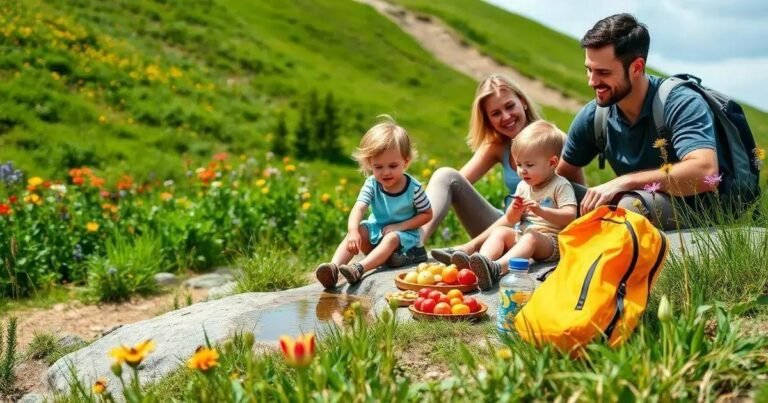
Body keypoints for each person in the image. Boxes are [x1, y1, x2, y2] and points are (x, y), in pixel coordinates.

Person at [556, 13, 723, 229]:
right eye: (589, 69)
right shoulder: (593, 116)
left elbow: (705, 171)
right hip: (633, 207)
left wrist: (624, 182)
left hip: (695, 215)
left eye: (603, 72)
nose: (592, 81)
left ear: (636, 67)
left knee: (627, 206)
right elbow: (562, 176)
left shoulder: (680, 103)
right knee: (553, 192)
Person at [422, 74, 548, 264]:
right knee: (444, 175)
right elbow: (452, 183)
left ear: (522, 101)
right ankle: (411, 245)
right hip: (505, 229)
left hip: (541, 236)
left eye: (509, 106)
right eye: (496, 113)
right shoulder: (497, 146)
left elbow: (576, 192)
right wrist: (402, 203)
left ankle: (473, 250)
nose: (506, 117)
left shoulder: (551, 140)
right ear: (488, 119)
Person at [454, 121, 578, 290]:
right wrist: (515, 211)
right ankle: (482, 264)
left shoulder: (560, 186)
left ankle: (497, 269)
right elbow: (511, 220)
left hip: (549, 242)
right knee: (500, 232)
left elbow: (570, 215)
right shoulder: (523, 186)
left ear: (552, 163)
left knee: (531, 237)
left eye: (529, 165)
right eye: (519, 165)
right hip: (523, 235)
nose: (522, 170)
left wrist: (541, 211)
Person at [315, 117, 433, 289]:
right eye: (378, 167)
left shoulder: (413, 188)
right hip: (378, 233)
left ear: (405, 162)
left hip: (405, 238)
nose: (386, 172)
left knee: (392, 237)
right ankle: (333, 269)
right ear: (370, 164)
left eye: (393, 166)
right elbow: (359, 207)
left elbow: (427, 214)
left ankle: (359, 268)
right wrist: (353, 231)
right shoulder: (372, 183)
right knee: (361, 228)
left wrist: (400, 226)